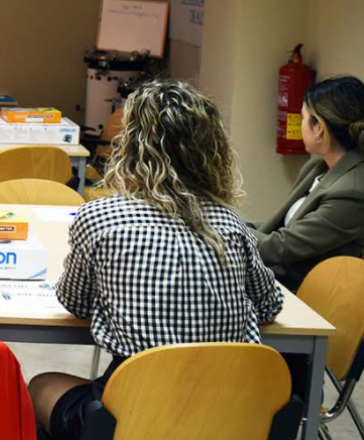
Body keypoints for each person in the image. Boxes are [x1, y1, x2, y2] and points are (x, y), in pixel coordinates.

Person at [29, 80, 283, 440]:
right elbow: (269, 304)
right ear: (212, 150)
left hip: (132, 415)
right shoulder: (231, 223)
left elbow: (75, 303)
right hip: (228, 413)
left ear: (130, 146)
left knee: (39, 385)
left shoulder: (101, 217)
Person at [253, 76, 364, 291]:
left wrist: (225, 228)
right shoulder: (318, 168)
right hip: (277, 280)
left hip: (302, 296)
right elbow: (278, 228)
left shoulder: (354, 191)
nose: (300, 124)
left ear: (319, 128)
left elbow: (279, 247)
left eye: (303, 118)